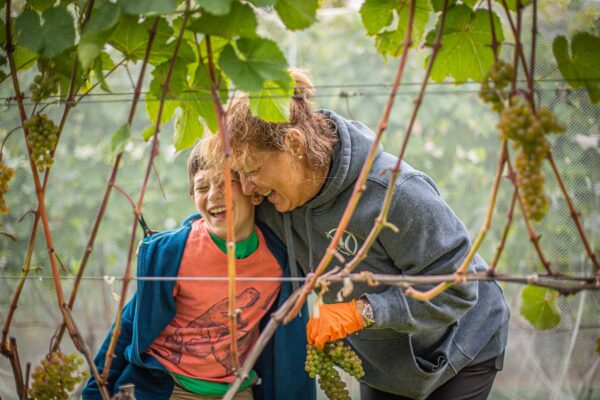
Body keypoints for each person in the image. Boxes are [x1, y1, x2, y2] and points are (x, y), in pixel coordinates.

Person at [220, 69, 510, 400]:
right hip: (384, 363)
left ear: (294, 144)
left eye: (253, 171)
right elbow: (218, 217)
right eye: (240, 175)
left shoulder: (393, 191)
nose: (247, 188)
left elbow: (458, 287)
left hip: (461, 342)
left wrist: (361, 311)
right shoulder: (275, 201)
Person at [83, 137, 314, 400]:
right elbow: (129, 324)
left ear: (253, 191)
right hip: (168, 386)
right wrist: (95, 390)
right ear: (193, 197)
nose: (214, 195)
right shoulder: (175, 253)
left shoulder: (281, 260)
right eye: (202, 186)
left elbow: (288, 346)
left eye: (227, 182)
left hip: (237, 389)